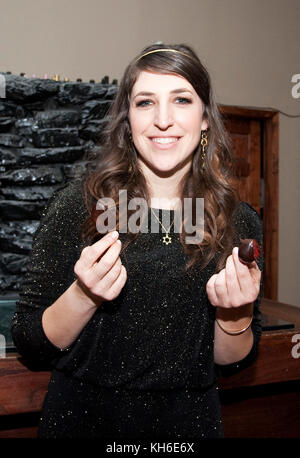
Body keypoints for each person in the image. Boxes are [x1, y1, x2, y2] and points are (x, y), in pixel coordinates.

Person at [11, 43, 263, 439]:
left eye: (181, 99)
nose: (163, 120)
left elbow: (233, 363)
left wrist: (237, 313)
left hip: (189, 426)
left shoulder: (238, 220)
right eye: (145, 102)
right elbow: (30, 342)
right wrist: (83, 295)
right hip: (83, 422)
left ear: (204, 119)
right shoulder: (81, 207)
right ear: (128, 120)